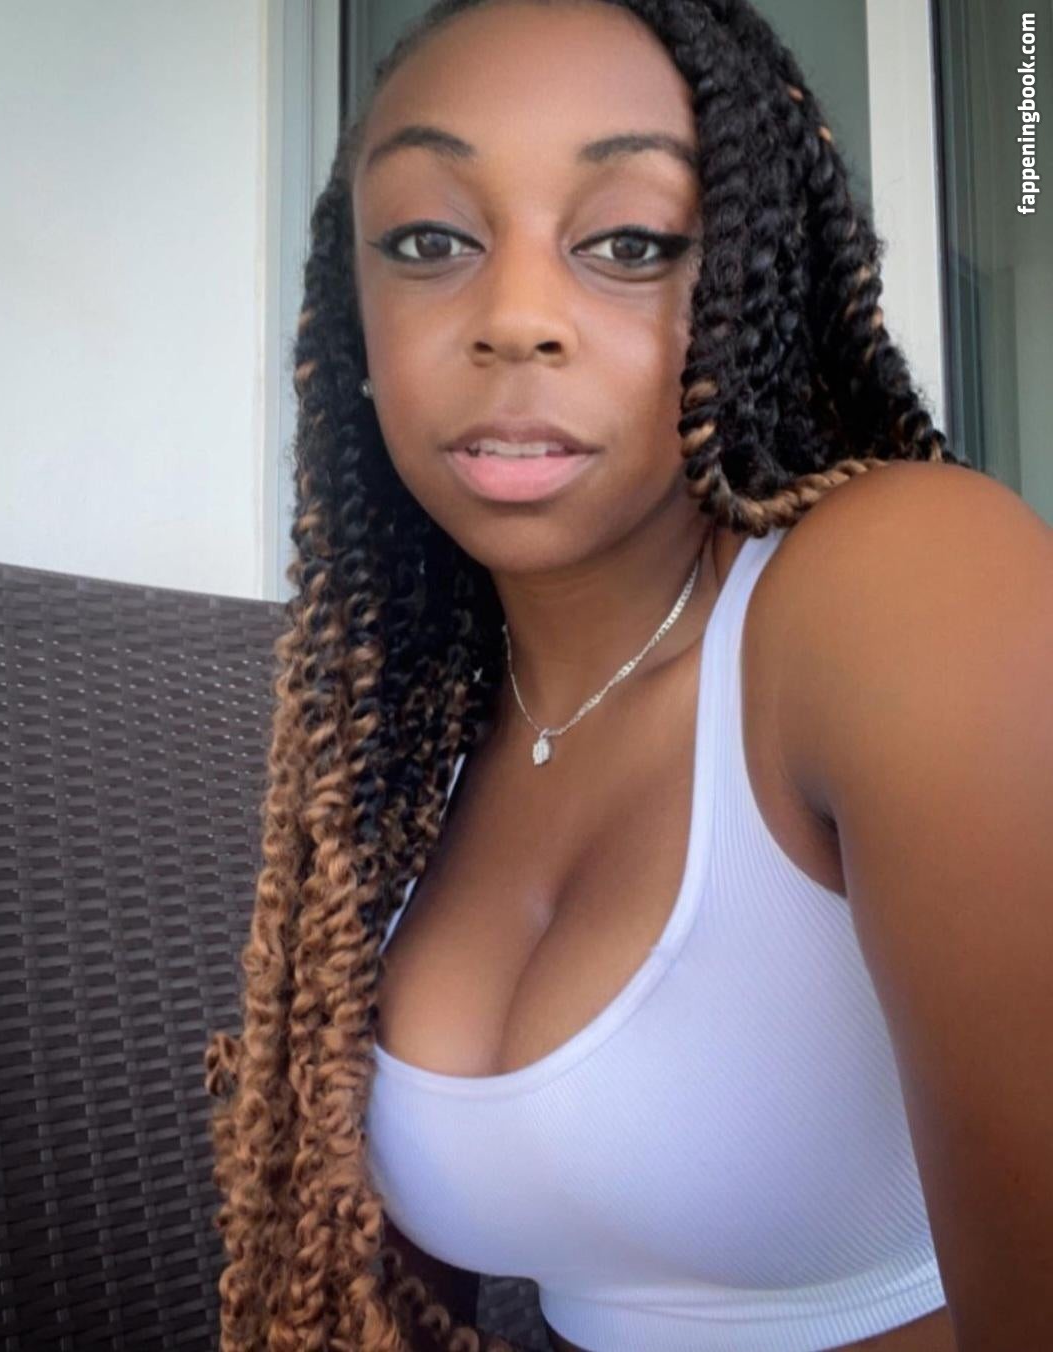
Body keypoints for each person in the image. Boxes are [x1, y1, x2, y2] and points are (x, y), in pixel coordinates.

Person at [203, 2, 1053, 1349]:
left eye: (631, 243)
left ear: (757, 289)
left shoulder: (901, 587)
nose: (515, 320)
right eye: (430, 240)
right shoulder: (402, 734)